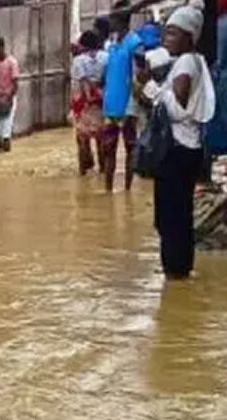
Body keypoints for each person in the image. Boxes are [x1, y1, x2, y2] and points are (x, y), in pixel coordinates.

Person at [151, 1, 215, 280]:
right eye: (167, 33)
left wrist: (155, 92)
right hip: (190, 149)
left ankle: (174, 273)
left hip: (177, 150)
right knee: (180, 213)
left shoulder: (186, 64)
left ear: (190, 37)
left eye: (174, 34)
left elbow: (179, 109)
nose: (167, 39)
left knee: (170, 216)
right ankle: (180, 269)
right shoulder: (197, 61)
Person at [101, 3, 145, 192]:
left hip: (128, 108)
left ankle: (127, 190)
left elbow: (138, 77)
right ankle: (108, 192)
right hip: (111, 107)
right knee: (108, 150)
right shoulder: (111, 44)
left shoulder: (135, 44)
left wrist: (131, 107)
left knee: (130, 149)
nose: (109, 21)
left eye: (112, 18)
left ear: (121, 20)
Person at [72, 31, 106, 174]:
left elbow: (82, 81)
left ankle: (84, 170)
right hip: (103, 101)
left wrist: (87, 98)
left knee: (82, 139)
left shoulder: (79, 60)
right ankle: (103, 168)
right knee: (102, 137)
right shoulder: (106, 57)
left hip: (85, 103)